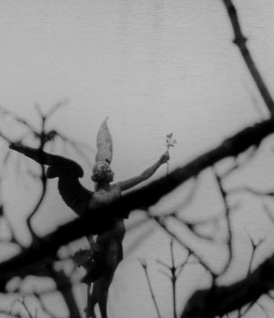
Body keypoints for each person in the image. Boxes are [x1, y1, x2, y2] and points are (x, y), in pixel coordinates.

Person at [11, 122, 172, 318]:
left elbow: (143, 176)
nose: (113, 172)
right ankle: (99, 313)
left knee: (105, 281)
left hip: (117, 243)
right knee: (104, 282)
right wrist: (92, 244)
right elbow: (86, 224)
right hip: (107, 243)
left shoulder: (117, 188)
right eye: (109, 171)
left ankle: (91, 308)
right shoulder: (96, 198)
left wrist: (160, 161)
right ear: (104, 174)